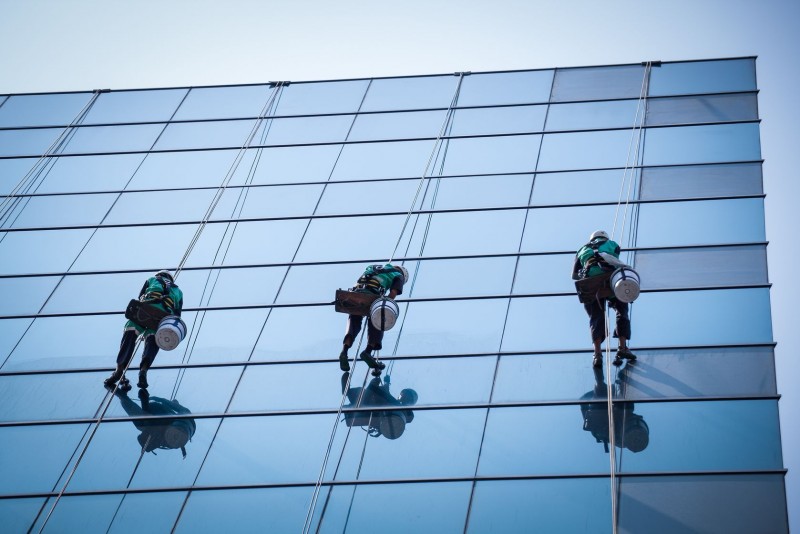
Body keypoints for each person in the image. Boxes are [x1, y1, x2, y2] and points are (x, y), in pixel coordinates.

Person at [104, 270, 184, 390]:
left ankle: (119, 369)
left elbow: (141, 295)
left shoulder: (152, 279)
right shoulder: (179, 291)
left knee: (130, 331)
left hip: (146, 309)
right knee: (153, 339)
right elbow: (177, 315)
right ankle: (144, 370)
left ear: (159, 275)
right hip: (163, 316)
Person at [572, 230, 636, 368]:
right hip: (610, 280)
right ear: (605, 237)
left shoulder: (582, 249)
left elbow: (574, 275)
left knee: (596, 317)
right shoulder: (612, 244)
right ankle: (622, 348)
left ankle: (597, 354)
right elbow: (615, 258)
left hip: (591, 285)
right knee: (621, 311)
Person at [339, 264, 408, 373]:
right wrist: (384, 306)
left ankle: (344, 351)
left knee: (354, 321)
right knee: (379, 320)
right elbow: (393, 293)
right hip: (372, 295)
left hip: (355, 294)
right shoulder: (399, 275)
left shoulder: (373, 267)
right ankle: (368, 351)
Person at [580, 366, 649, 453]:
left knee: (602, 392)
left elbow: (583, 402)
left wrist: (585, 400)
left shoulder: (615, 438)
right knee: (626, 407)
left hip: (602, 415)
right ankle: (620, 381)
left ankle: (599, 373)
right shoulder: (622, 438)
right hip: (610, 415)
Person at [114, 387, 196, 458]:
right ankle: (129, 399)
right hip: (165, 424)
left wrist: (157, 399)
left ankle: (128, 399)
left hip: (163, 421)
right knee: (143, 423)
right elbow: (172, 405)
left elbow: (170, 404)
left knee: (142, 422)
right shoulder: (181, 415)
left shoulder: (180, 414)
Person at [341, 372, 418, 439]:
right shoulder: (396, 405)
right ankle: (349, 394)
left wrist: (380, 384)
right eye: (402, 395)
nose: (401, 396)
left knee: (365, 394)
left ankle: (349, 394)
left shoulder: (405, 411)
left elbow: (385, 394)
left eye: (404, 395)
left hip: (373, 410)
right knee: (363, 393)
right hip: (372, 406)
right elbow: (386, 393)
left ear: (408, 400)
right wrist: (386, 382)